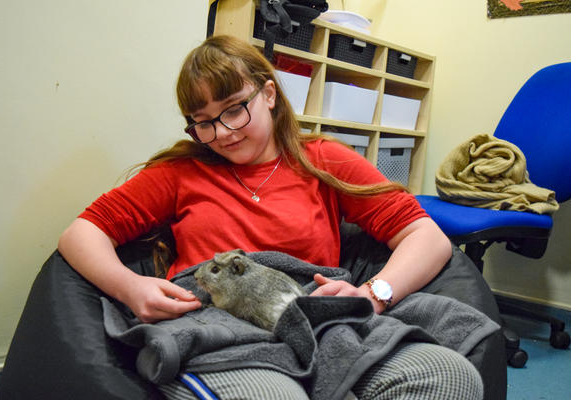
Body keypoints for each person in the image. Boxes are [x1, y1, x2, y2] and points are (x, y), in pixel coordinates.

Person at [58, 35, 483, 399]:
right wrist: (131, 288)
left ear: (269, 95)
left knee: (449, 376)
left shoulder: (324, 160)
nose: (222, 133)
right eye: (202, 122)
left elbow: (426, 237)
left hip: (315, 320)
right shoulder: (178, 173)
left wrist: (370, 295)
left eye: (233, 109)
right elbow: (81, 234)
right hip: (217, 327)